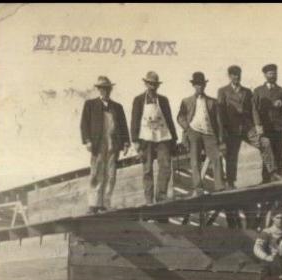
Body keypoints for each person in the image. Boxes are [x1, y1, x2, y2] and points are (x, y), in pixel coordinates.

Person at [80, 76, 130, 214]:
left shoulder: (117, 107)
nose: (105, 91)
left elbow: (123, 126)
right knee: (96, 173)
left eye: (107, 88)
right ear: (98, 89)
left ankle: (105, 204)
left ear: (110, 89)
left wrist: (126, 143)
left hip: (113, 144)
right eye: (102, 88)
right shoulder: (90, 105)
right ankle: (93, 204)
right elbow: (84, 124)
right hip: (98, 143)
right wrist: (87, 141)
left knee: (111, 174)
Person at [131, 71, 177, 204]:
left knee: (166, 166)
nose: (152, 86)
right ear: (146, 84)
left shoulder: (163, 100)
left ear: (158, 85)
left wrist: (173, 139)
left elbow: (169, 119)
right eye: (150, 84)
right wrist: (135, 140)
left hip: (162, 137)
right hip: (146, 139)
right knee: (147, 169)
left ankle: (161, 196)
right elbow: (134, 120)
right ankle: (149, 199)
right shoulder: (139, 100)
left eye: (155, 84)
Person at [176, 71, 225, 195]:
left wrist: (220, 138)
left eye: (202, 84)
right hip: (194, 132)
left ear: (205, 85)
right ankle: (198, 188)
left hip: (209, 133)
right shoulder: (186, 101)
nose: (200, 87)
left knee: (217, 157)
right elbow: (180, 117)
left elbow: (219, 122)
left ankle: (220, 186)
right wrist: (188, 129)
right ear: (194, 86)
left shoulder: (212, 102)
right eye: (197, 84)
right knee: (195, 160)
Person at [252, 64, 282, 183]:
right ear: (265, 75)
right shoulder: (258, 91)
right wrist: (258, 125)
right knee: (267, 154)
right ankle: (265, 180)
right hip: (265, 128)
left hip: (278, 127)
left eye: (275, 73)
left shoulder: (281, 90)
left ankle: (279, 178)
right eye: (270, 73)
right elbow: (254, 109)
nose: (273, 76)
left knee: (278, 154)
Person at [217, 65, 253, 191]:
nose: (236, 77)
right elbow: (220, 114)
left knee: (264, 143)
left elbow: (252, 111)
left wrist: (256, 126)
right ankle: (230, 183)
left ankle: (271, 174)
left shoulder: (247, 92)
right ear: (229, 76)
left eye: (238, 74)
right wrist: (223, 133)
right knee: (231, 157)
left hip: (247, 128)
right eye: (233, 74)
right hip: (231, 130)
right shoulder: (223, 91)